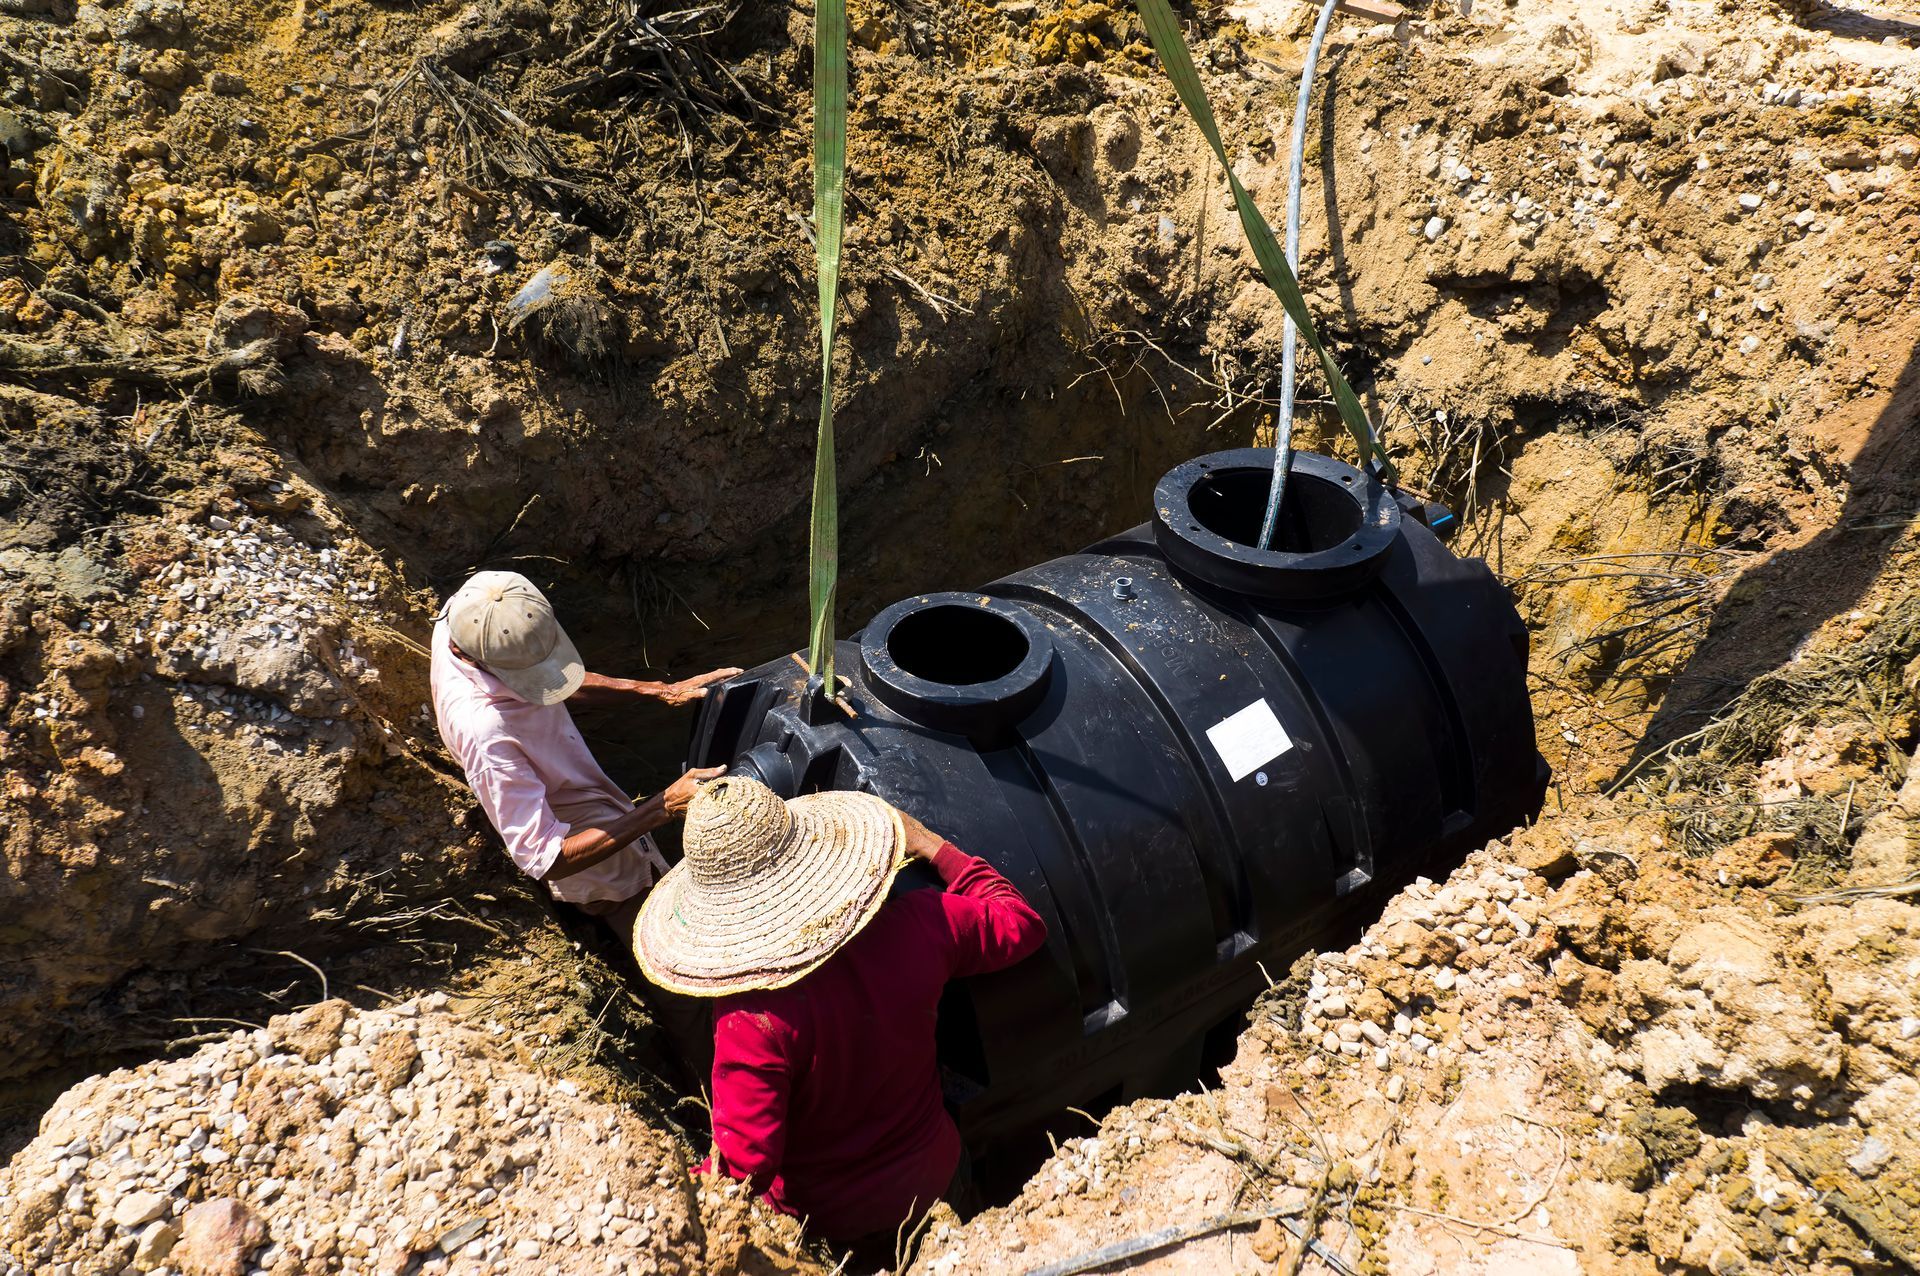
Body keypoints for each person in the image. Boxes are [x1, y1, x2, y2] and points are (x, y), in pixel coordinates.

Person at [633, 774, 1048, 1243]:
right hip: (937, 1184)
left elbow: (743, 1169)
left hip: (834, 1226)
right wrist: (930, 844)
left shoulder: (749, 1020)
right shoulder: (922, 922)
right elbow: (1022, 924)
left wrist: (666, 1191)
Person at [429, 569, 740, 938]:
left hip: (578, 781)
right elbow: (545, 858)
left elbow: (549, 678)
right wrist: (662, 808)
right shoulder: (485, 734)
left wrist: (656, 690)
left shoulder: (475, 607)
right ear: (468, 655)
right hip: (585, 849)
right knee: (650, 921)